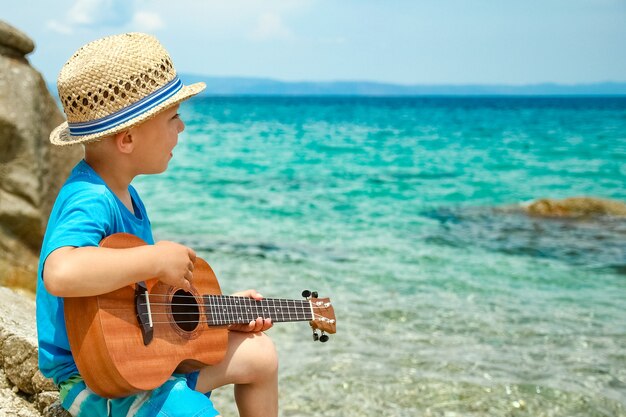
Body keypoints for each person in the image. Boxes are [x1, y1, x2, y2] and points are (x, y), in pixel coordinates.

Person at [36, 32, 278, 417]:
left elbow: (139, 307)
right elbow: (61, 272)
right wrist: (155, 258)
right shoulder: (91, 198)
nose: (181, 128)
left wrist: (224, 311)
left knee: (260, 355)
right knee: (195, 410)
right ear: (128, 138)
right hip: (95, 379)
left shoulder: (127, 197)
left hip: (140, 364)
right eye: (173, 117)